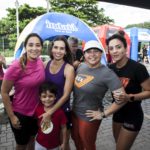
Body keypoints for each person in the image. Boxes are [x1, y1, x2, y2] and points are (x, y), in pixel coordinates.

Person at [71, 40, 126, 150]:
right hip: (74, 113)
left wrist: (103, 114)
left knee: (88, 144)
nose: (92, 55)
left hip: (89, 117)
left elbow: (122, 99)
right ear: (84, 54)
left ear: (102, 53)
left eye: (96, 51)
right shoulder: (81, 67)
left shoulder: (108, 74)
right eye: (88, 51)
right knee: (76, 140)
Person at [106, 32, 150, 150]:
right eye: (111, 48)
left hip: (133, 115)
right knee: (118, 145)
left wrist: (129, 97)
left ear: (125, 48)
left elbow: (149, 91)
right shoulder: (110, 69)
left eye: (118, 47)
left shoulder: (138, 68)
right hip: (118, 113)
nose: (114, 51)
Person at [1, 33, 45, 150]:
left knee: (32, 140)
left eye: (37, 45)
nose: (34, 48)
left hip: (36, 113)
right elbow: (4, 92)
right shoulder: (17, 66)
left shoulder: (40, 62)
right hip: (20, 114)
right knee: (21, 145)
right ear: (25, 47)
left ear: (41, 47)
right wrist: (11, 116)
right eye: (30, 45)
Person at [42, 36, 75, 150]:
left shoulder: (69, 69)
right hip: (46, 110)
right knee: (49, 141)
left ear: (66, 51)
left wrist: (50, 112)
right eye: (56, 47)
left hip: (62, 111)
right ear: (51, 49)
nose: (58, 51)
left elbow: (66, 95)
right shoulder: (45, 64)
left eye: (62, 48)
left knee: (63, 144)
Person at [34, 82, 67, 150]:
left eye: (50, 96)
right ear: (40, 97)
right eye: (44, 96)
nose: (47, 99)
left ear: (55, 97)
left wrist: (64, 143)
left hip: (54, 145)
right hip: (40, 143)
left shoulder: (60, 112)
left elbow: (64, 128)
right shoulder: (37, 109)